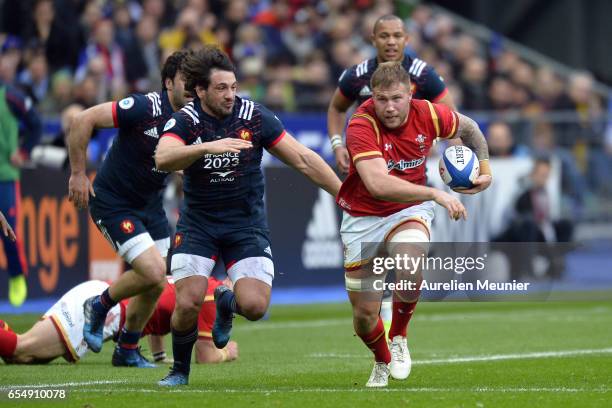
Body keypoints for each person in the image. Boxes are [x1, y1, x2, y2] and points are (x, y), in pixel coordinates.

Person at [154, 46, 342, 386]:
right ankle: (179, 371)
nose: (230, 95)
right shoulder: (187, 120)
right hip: (199, 224)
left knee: (254, 307)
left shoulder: (254, 117)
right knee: (188, 301)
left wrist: (343, 195)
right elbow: (163, 157)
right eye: (222, 88)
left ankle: (227, 303)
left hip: (245, 224)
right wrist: (207, 147)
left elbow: (301, 158)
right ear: (200, 91)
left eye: (234, 87)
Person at [336, 62, 491, 387]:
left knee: (409, 261)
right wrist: (436, 193)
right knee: (364, 317)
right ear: (372, 98)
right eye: (381, 99)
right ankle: (381, 360)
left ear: (410, 94)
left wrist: (486, 169)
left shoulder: (430, 114)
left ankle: (400, 337)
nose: (389, 107)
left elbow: (471, 129)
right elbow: (378, 185)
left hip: (409, 209)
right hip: (363, 216)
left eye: (396, 98)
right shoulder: (361, 125)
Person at [66, 50, 194, 368]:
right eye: (185, 81)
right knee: (151, 271)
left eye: (196, 82)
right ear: (168, 83)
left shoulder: (191, 119)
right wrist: (79, 173)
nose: (192, 88)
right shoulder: (143, 107)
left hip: (150, 207)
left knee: (156, 281)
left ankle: (127, 348)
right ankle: (98, 305)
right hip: (114, 204)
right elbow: (83, 120)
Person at [0, 276, 238, 365]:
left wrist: (158, 356)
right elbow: (205, 357)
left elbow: (157, 302)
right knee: (21, 349)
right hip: (109, 314)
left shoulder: (199, 281)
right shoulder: (210, 297)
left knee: (22, 356)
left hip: (101, 297)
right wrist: (228, 352)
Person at [327, 14, 455, 175]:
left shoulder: (424, 74)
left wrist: (432, 139)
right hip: (368, 166)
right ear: (373, 40)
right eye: (384, 36)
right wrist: (337, 145)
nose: (391, 42)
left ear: (406, 39)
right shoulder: (358, 75)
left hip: (411, 170)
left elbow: (451, 115)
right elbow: (337, 108)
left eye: (397, 36)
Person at [0, 73, 42, 307]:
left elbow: (35, 122)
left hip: (5, 175)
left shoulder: (10, 96)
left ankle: (17, 276)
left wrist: (24, 152)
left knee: (9, 232)